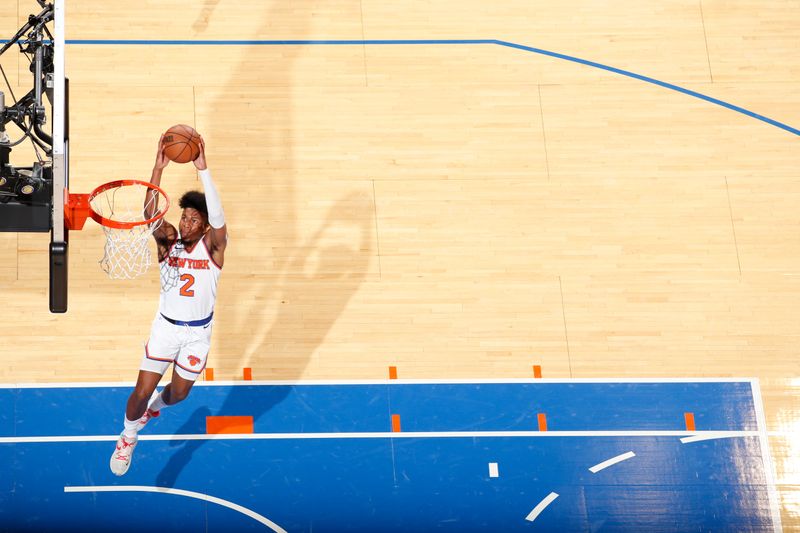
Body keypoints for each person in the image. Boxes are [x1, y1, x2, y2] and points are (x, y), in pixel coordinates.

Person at [110, 134, 227, 476]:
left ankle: (154, 410)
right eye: (185, 217)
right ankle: (128, 436)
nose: (187, 222)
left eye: (194, 219)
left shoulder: (214, 248)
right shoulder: (169, 242)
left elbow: (220, 218)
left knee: (177, 394)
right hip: (165, 328)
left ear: (204, 226)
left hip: (196, 336)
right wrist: (157, 169)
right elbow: (150, 215)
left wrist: (203, 169)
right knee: (141, 389)